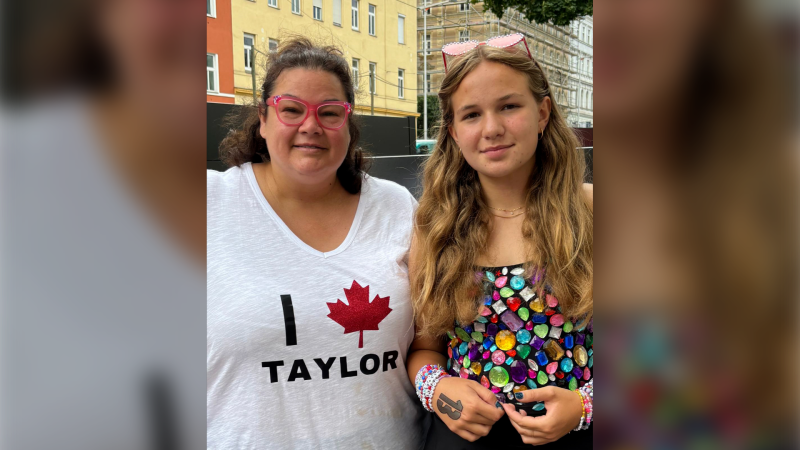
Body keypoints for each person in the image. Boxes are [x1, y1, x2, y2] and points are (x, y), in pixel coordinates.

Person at [207, 37, 424, 449]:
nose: (311, 125)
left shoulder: (395, 207)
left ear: (349, 122)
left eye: (329, 112)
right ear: (263, 119)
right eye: (291, 110)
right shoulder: (205, 204)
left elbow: (431, 337)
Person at [406, 35, 593, 449]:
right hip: (464, 439)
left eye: (509, 106)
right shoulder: (435, 225)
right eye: (472, 115)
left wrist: (584, 407)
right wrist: (438, 392)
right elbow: (424, 349)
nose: (492, 129)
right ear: (453, 131)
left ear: (542, 112)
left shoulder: (593, 210)